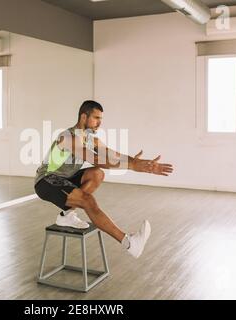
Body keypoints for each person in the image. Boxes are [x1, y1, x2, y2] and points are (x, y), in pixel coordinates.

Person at [34, 100, 174, 258]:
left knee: (97, 174)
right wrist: (133, 166)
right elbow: (97, 159)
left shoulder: (90, 138)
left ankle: (67, 216)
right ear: (83, 117)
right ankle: (129, 243)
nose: (99, 123)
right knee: (87, 200)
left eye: (101, 119)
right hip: (46, 181)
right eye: (96, 118)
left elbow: (108, 153)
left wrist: (136, 162)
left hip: (67, 178)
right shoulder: (69, 138)